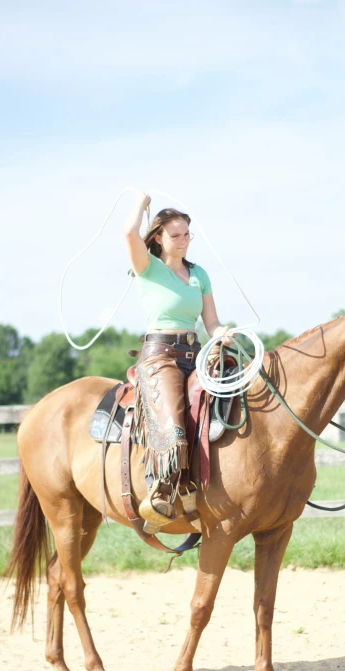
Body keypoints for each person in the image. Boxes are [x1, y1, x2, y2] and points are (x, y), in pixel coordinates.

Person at [125, 193, 231, 532]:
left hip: (195, 353)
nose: (183, 240)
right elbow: (129, 234)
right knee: (172, 417)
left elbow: (211, 322)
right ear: (159, 237)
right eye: (175, 235)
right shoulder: (148, 267)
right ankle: (161, 487)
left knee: (227, 403)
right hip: (160, 356)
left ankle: (198, 486)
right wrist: (141, 204)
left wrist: (222, 333)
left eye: (187, 234)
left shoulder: (199, 274)